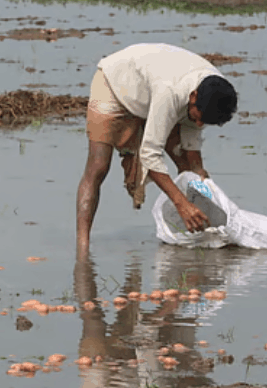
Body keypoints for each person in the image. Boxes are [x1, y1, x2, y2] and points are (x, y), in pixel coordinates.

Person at [76, 43, 238, 258]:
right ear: (193, 97)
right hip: (115, 85)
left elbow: (191, 143)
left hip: (156, 93)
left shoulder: (215, 93)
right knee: (98, 166)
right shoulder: (170, 91)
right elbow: (149, 153)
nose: (199, 126)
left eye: (204, 123)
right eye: (198, 119)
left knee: (190, 170)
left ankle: (197, 233)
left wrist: (200, 175)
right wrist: (180, 203)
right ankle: (82, 248)